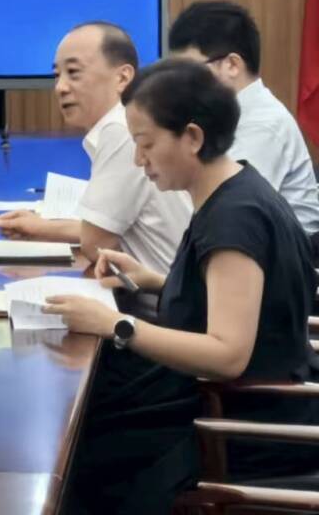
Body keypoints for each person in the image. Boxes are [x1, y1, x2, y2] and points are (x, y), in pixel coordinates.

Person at [44, 59, 319, 514]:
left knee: (78, 452)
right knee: (88, 414)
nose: (139, 160)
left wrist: (116, 324)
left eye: (145, 144)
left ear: (192, 137)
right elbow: (229, 298)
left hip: (235, 423)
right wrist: (150, 279)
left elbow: (227, 354)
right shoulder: (234, 187)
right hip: (209, 399)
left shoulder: (234, 219)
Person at [0, 22, 192, 278]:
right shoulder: (124, 124)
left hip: (160, 296)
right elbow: (102, 230)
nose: (60, 87)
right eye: (57, 75)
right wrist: (39, 226)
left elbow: (95, 244)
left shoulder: (122, 130)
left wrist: (41, 228)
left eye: (74, 73)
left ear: (122, 78)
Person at [168, 0, 319, 237]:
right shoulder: (221, 117)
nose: (181, 83)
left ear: (232, 65)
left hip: (281, 255)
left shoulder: (264, 125)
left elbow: (226, 211)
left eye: (190, 71)